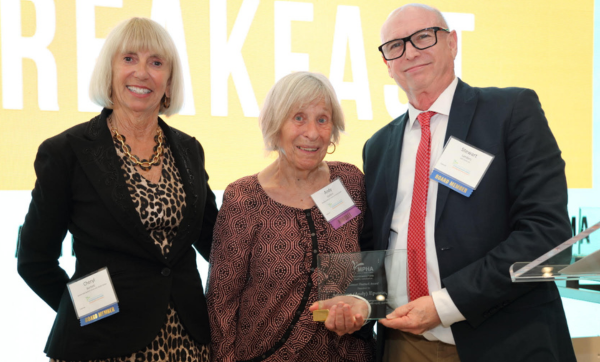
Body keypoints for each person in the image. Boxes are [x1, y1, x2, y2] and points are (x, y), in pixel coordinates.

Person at [360, 4, 576, 362]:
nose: (410, 51)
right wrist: (354, 302)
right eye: (395, 45)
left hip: (506, 340)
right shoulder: (378, 146)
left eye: (423, 37)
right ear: (387, 64)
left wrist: (445, 304)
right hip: (405, 345)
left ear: (453, 43)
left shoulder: (511, 111)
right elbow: (374, 245)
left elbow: (546, 235)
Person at [17, 17, 217, 361]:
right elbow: (35, 260)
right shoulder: (67, 151)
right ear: (108, 72)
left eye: (156, 62)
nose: (142, 72)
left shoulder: (189, 150)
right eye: (128, 59)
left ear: (168, 82)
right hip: (102, 346)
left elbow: (219, 244)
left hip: (188, 344)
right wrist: (90, 313)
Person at [206, 71, 375, 362]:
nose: (312, 132)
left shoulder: (349, 182)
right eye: (298, 117)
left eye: (322, 119)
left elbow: (371, 263)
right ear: (276, 124)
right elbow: (221, 303)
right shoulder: (244, 198)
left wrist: (362, 304)